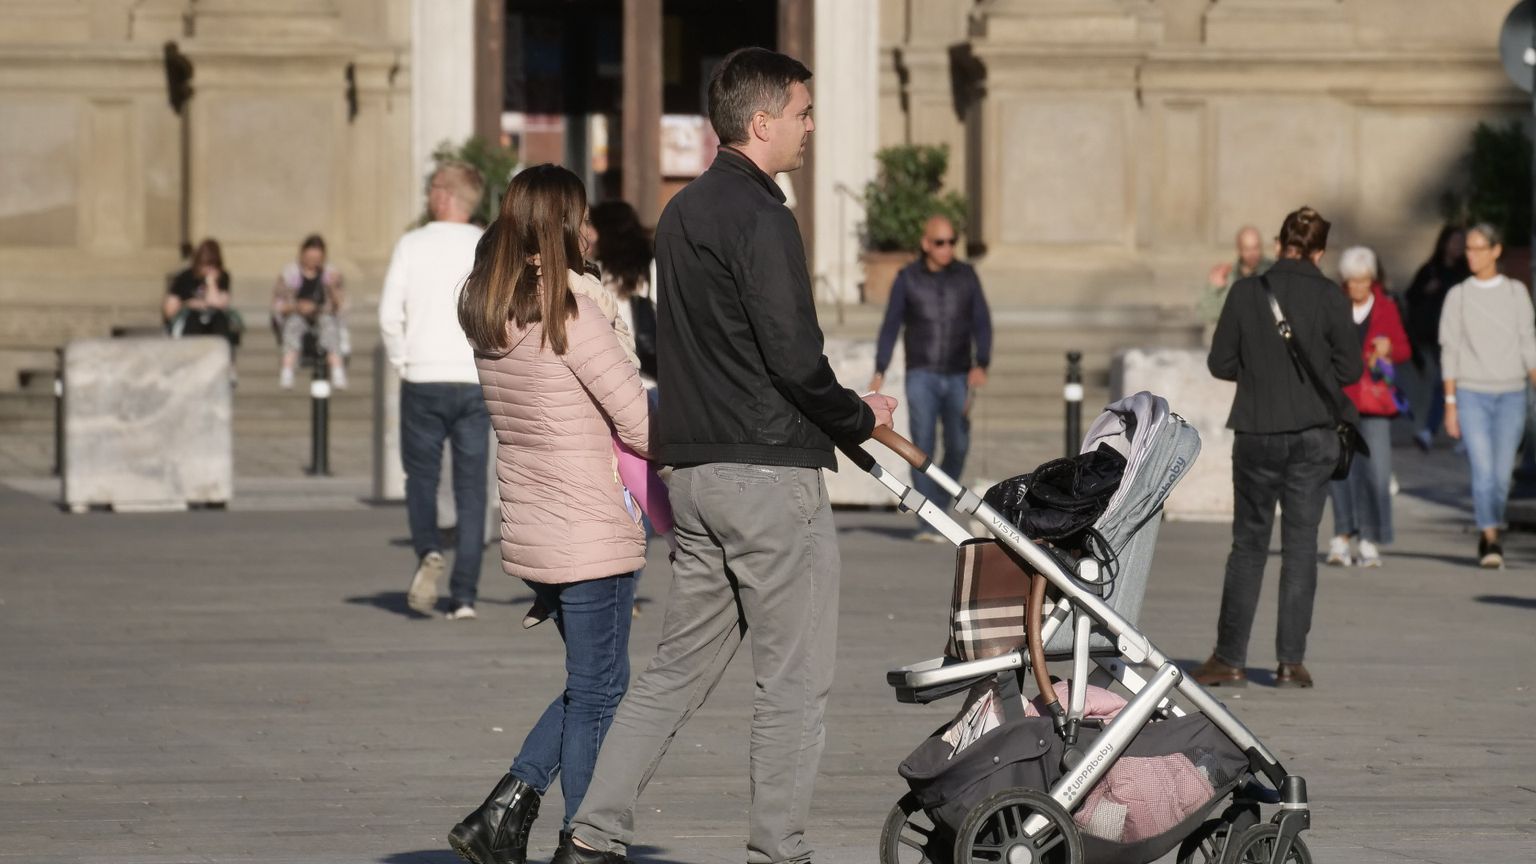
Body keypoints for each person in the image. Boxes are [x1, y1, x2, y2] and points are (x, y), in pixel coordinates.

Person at [559, 47, 897, 864]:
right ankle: (779, 850)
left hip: (697, 469)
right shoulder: (762, 216)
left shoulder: (681, 214)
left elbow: (707, 345)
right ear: (762, 122)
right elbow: (792, 356)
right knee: (791, 682)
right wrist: (860, 415)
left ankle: (592, 836)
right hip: (769, 473)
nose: (811, 128)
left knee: (675, 670)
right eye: (804, 113)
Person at [446, 164, 652, 864]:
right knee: (598, 695)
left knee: (599, 682)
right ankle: (585, 842)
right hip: (591, 526)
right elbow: (640, 425)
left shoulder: (491, 310)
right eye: (581, 215)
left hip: (537, 523)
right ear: (563, 222)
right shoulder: (568, 312)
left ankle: (505, 808)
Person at [1195, 206, 1360, 690]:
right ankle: (1290, 663)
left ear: (1280, 242)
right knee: (1302, 547)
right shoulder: (1331, 296)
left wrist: (1261, 372)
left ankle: (1230, 657)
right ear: (1320, 250)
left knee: (1248, 545)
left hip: (1257, 433)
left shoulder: (1247, 292)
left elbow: (1220, 362)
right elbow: (1349, 372)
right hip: (1313, 435)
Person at [379, 161, 491, 620]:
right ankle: (464, 596)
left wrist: (405, 361)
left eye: (431, 188)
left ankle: (428, 548)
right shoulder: (487, 244)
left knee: (421, 478)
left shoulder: (412, 244)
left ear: (444, 195)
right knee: (471, 488)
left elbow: (389, 315)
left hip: (423, 377)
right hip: (474, 376)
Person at [869, 213, 991, 541]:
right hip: (921, 374)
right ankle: (928, 521)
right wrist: (880, 368)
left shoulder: (966, 276)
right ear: (926, 244)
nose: (947, 248)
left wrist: (982, 363)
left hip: (957, 375)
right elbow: (891, 325)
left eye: (952, 242)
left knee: (958, 445)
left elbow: (982, 321)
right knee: (921, 445)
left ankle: (936, 504)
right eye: (940, 242)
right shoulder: (908, 278)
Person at [1439, 222, 1536, 569]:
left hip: (1511, 394)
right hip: (1471, 394)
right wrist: (1450, 405)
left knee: (1500, 475)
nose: (1472, 255)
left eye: (1479, 248)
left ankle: (1491, 525)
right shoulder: (1459, 295)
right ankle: (1490, 537)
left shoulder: (1515, 293)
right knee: (1482, 470)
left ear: (1496, 250)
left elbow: (1528, 345)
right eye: (1468, 248)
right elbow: (1449, 350)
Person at [1325, 247, 1410, 569]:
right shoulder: (1335, 308)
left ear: (1371, 279)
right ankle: (1343, 534)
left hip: (1376, 403)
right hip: (1342, 402)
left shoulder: (1386, 308)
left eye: (1363, 281)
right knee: (1342, 471)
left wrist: (1389, 348)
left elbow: (1404, 348)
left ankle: (1370, 537)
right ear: (1344, 283)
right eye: (1351, 282)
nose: (1358, 287)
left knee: (1377, 472)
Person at [1404, 226, 1469, 450]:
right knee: (1444, 382)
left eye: (1462, 242)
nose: (1458, 247)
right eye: (1454, 241)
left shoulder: (1466, 272)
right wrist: (1427, 290)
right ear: (1444, 243)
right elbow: (1411, 296)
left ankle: (1434, 431)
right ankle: (1436, 431)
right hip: (1434, 337)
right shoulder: (1431, 269)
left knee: (1447, 383)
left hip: (1461, 335)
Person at [585, 200, 658, 381]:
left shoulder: (596, 276)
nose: (589, 234)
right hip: (653, 374)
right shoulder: (653, 267)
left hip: (616, 376)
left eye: (591, 225)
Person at [271, 234, 348, 389]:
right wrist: (297, 307)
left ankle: (337, 369)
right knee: (293, 325)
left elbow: (340, 305)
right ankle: (287, 370)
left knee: (329, 326)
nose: (313, 262)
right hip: (296, 315)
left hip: (323, 315)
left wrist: (332, 288)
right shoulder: (290, 274)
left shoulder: (330, 274)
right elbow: (278, 304)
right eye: (309, 258)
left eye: (317, 259)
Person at [165, 238, 243, 353]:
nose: (208, 269)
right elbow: (169, 310)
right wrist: (188, 304)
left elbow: (217, 303)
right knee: (193, 319)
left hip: (215, 323)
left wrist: (211, 282)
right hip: (190, 322)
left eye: (212, 265)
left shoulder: (223, 277)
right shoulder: (185, 277)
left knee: (219, 319)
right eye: (204, 264)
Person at [1197, 225, 1275, 326]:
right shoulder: (1229, 275)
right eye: (1247, 249)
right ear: (1239, 249)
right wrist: (1214, 288)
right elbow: (1205, 312)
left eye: (1256, 248)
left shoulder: (1272, 271)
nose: (1252, 254)